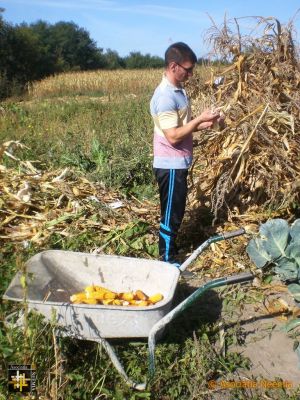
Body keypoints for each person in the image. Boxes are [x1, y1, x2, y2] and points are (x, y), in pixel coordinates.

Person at [150, 42, 220, 267]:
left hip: (178, 162)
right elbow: (172, 136)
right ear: (173, 66)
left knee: (176, 211)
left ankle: (170, 252)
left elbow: (182, 127)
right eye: (188, 69)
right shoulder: (165, 97)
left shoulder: (179, 91)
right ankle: (167, 261)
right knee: (171, 214)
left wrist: (202, 125)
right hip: (169, 164)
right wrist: (198, 120)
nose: (191, 74)